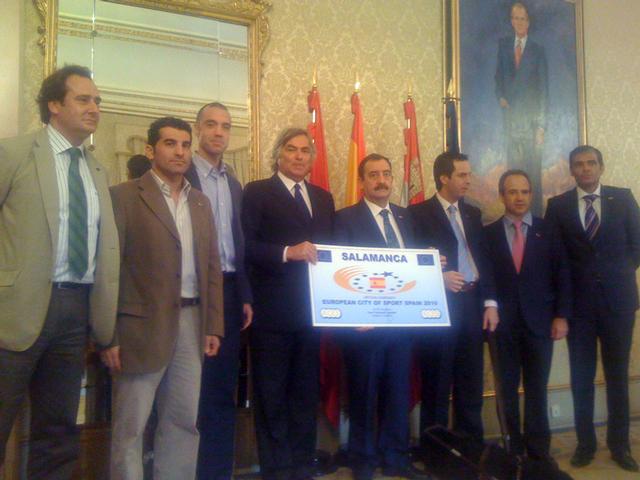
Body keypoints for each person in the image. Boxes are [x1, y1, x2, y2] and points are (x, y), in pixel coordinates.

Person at [0, 65, 119, 478]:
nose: (94, 108)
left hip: (75, 311)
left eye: (97, 101)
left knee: (59, 429)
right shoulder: (13, 153)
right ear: (54, 105)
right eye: (83, 99)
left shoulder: (96, 169)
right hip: (16, 311)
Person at [103, 117, 224, 479]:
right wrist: (109, 334)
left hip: (191, 322)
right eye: (170, 144)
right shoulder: (124, 196)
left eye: (185, 144)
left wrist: (213, 325)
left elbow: (212, 267)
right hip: (140, 327)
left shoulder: (200, 202)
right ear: (150, 149)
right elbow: (109, 268)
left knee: (183, 420)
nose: (180, 152)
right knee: (131, 426)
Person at [241, 128, 335, 480]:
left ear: (312, 158)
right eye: (292, 149)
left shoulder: (323, 198)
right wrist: (286, 252)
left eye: (305, 151)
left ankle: (302, 464)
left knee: (305, 393)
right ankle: (277, 469)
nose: (298, 156)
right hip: (271, 313)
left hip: (312, 313)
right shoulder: (257, 192)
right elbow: (245, 246)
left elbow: (333, 254)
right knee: (271, 395)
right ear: (278, 154)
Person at [545, 145, 640, 472]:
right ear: (571, 170)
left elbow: (637, 246)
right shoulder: (557, 206)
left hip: (618, 303)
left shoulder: (623, 199)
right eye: (579, 164)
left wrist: (616, 274)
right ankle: (585, 444)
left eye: (591, 163)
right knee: (581, 377)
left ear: (601, 166)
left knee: (617, 376)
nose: (585, 169)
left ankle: (620, 446)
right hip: (578, 307)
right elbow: (555, 258)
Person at [334, 154, 429, 480]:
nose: (381, 180)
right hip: (365, 326)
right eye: (373, 175)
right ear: (362, 181)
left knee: (398, 394)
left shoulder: (405, 217)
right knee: (364, 396)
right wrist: (353, 315)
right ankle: (363, 462)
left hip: (402, 324)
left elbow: (413, 265)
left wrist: (432, 267)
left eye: (386, 174)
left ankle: (395, 459)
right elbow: (340, 271)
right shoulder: (345, 218)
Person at [408, 152, 499, 446]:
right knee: (437, 382)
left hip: (473, 305)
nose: (468, 180)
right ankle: (435, 451)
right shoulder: (417, 214)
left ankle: (470, 448)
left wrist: (490, 302)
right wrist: (438, 276)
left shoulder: (472, 213)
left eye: (469, 174)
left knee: (470, 381)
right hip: (441, 308)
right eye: (462, 175)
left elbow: (484, 259)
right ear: (443, 177)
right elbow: (410, 263)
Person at [185, 102, 253, 479]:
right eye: (210, 124)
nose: (218, 132)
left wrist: (244, 294)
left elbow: (237, 244)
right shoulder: (182, 173)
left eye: (225, 126)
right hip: (191, 293)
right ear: (198, 128)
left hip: (228, 292)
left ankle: (216, 471)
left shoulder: (233, 184)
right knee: (187, 388)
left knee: (222, 387)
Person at [484, 169, 571, 462]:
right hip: (503, 326)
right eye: (512, 192)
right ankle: (513, 449)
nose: (519, 197)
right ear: (502, 196)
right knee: (506, 390)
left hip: (540, 323)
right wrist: (490, 305)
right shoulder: (489, 234)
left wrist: (561, 316)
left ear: (531, 195)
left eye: (524, 191)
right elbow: (487, 277)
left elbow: (562, 274)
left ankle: (538, 451)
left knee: (537, 389)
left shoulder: (549, 231)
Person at [495, 2, 548, 216]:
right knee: (514, 171)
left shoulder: (537, 50)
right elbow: (498, 77)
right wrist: (500, 96)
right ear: (511, 21)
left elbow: (543, 90)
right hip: (511, 120)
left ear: (529, 21)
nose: (519, 22)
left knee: (531, 171)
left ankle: (534, 216)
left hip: (531, 123)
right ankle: (513, 218)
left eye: (522, 18)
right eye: (515, 18)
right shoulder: (503, 45)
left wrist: (541, 127)